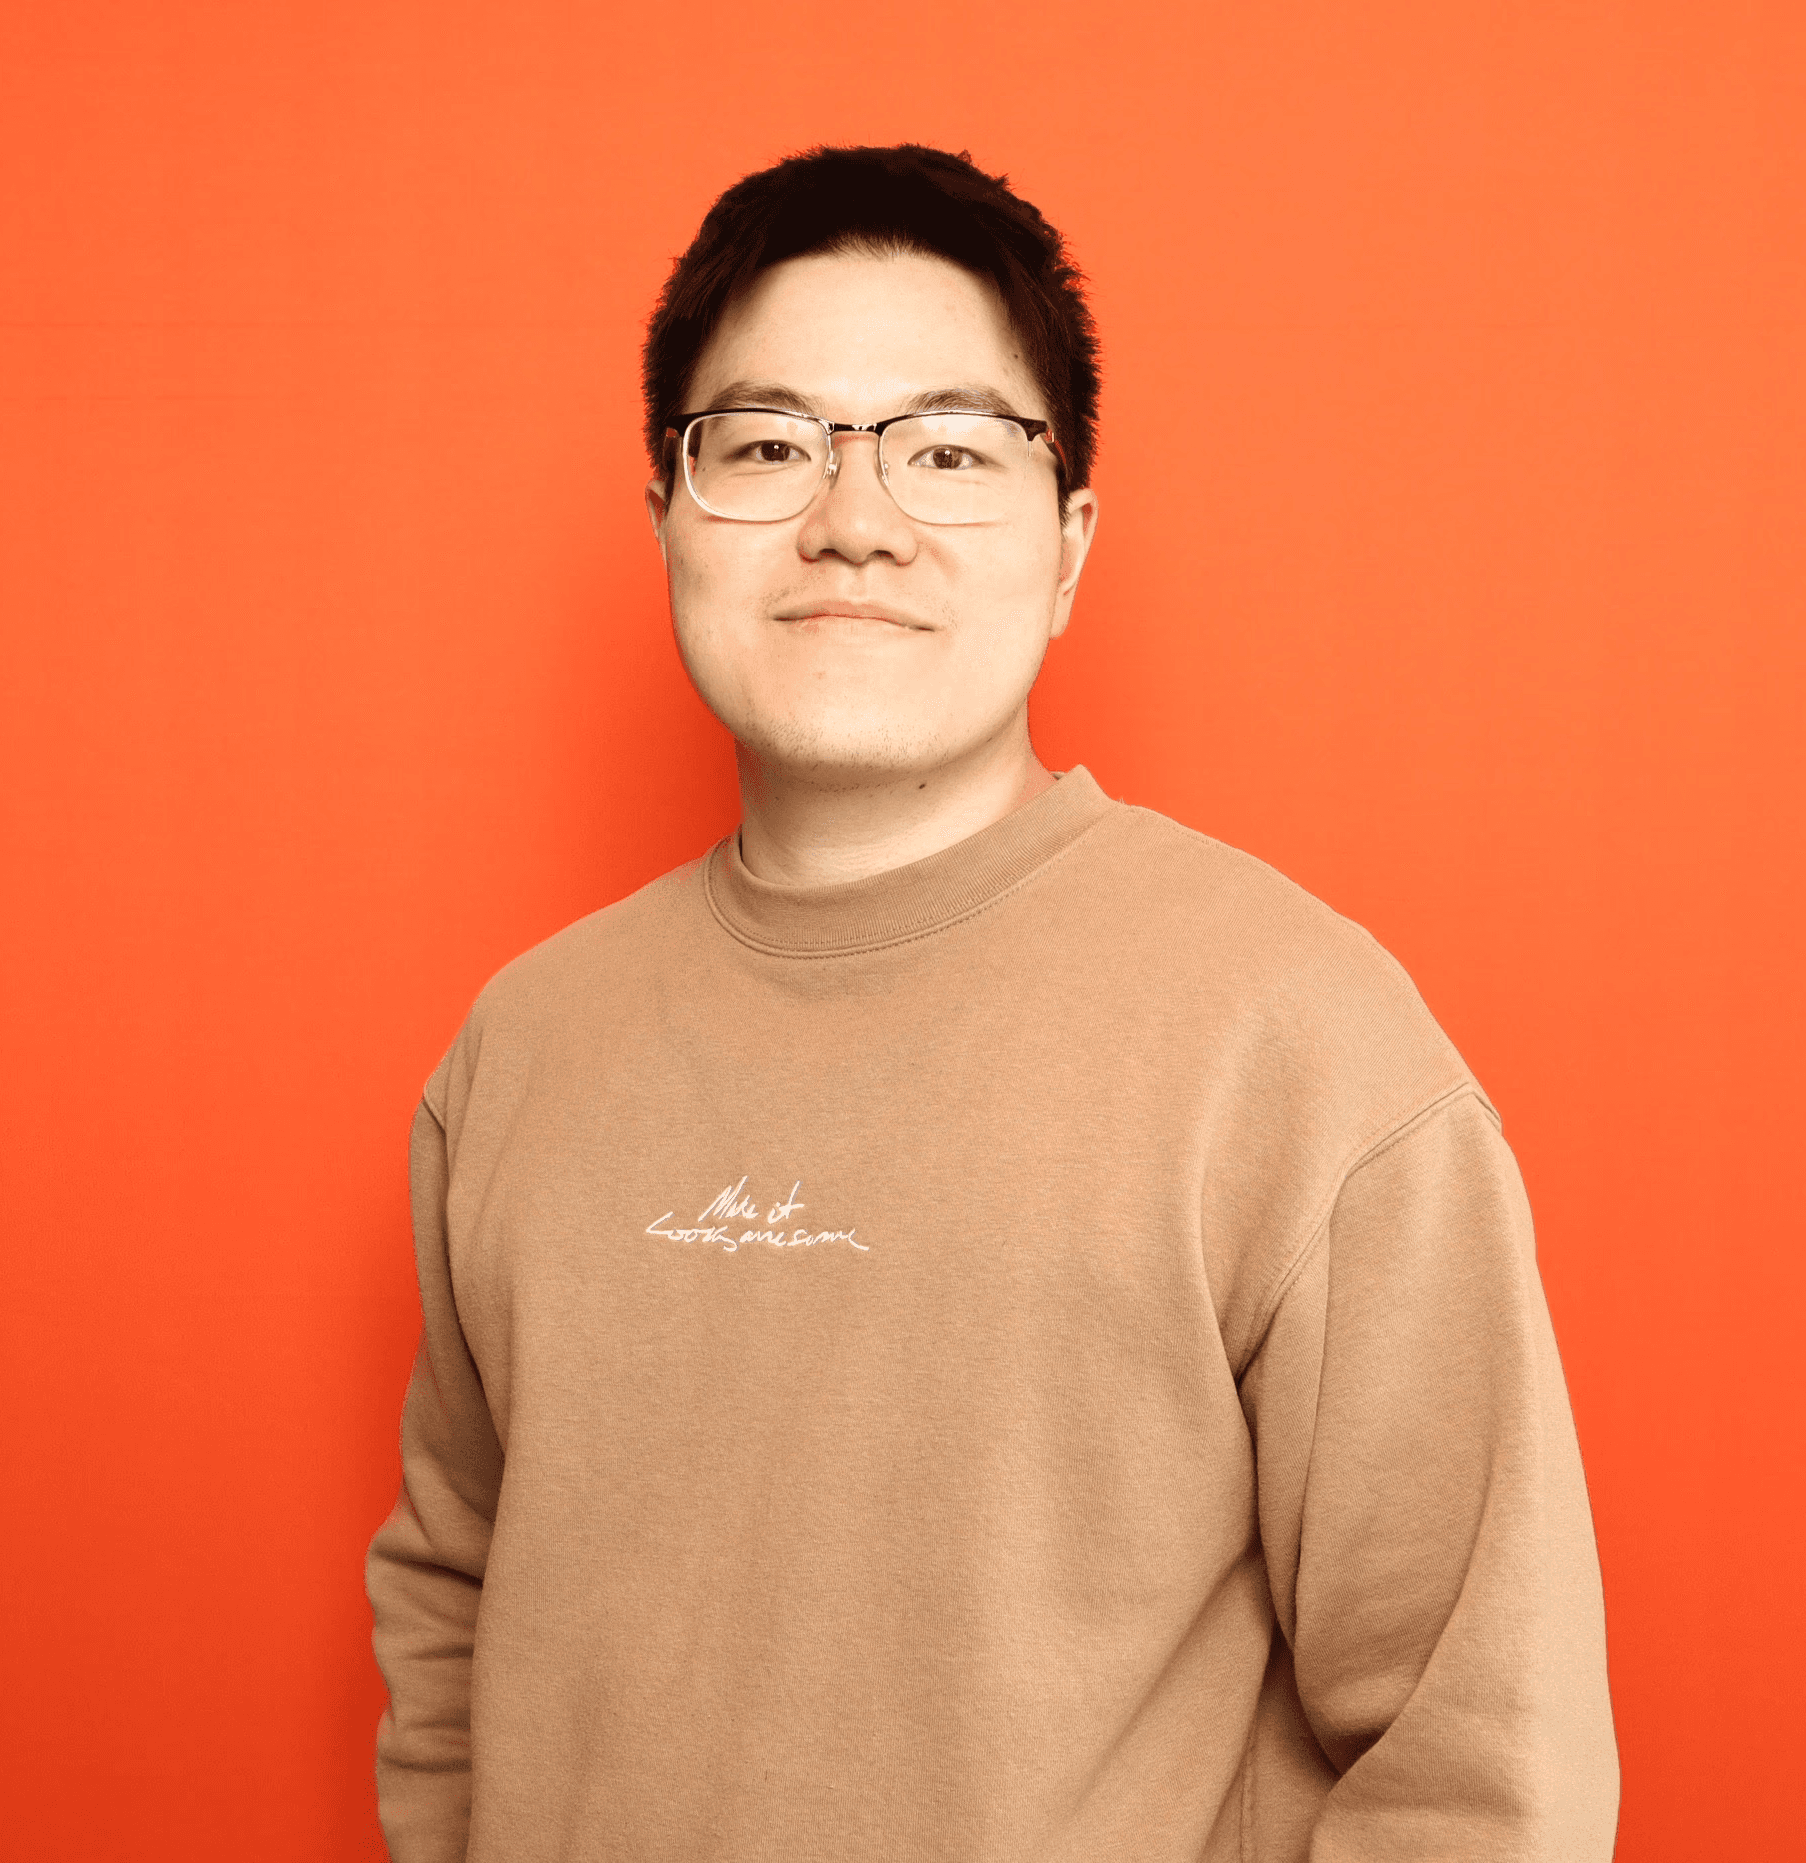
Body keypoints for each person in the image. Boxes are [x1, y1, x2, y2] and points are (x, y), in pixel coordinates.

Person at [365, 143, 1619, 1862]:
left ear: (1068, 546)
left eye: (948, 450)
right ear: (666, 514)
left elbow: (1484, 1761)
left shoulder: (1297, 1041)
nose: (854, 519)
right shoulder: (520, 1048)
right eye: (768, 445)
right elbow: (452, 1595)